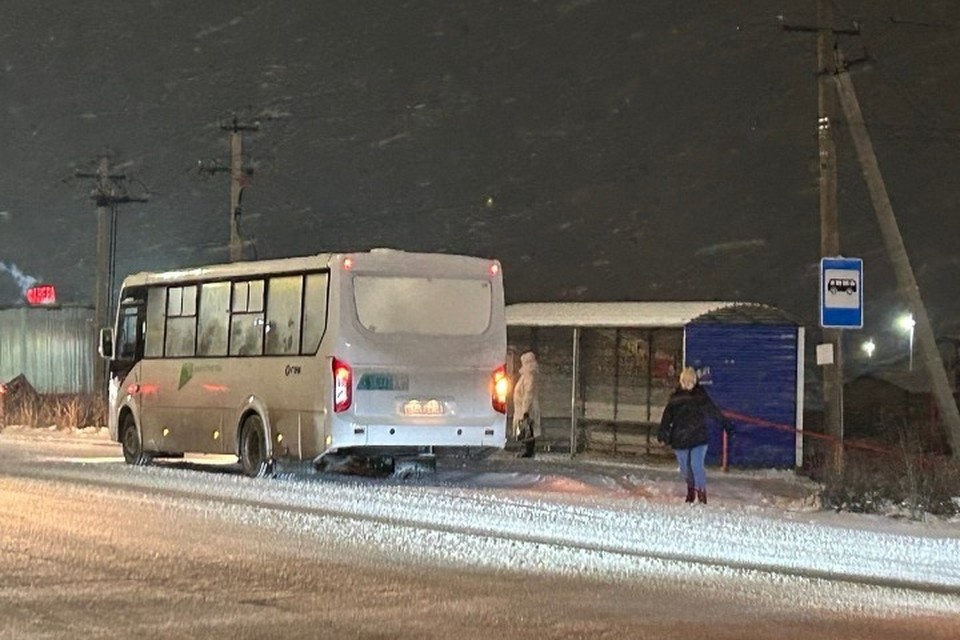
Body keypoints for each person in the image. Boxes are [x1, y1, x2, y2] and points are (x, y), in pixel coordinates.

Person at [657, 366, 731, 504]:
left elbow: (712, 411)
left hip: (698, 437)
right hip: (680, 437)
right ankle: (691, 489)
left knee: (696, 465)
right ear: (681, 381)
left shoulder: (700, 397)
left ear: (695, 381)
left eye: (690, 380)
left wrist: (725, 424)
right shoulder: (675, 399)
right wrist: (663, 432)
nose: (687, 383)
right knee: (685, 467)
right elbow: (667, 418)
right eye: (685, 380)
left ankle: (701, 493)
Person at [512, 351, 541, 458]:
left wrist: (525, 411)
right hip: (526, 408)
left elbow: (528, 393)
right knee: (527, 429)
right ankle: (527, 450)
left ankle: (527, 450)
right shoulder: (528, 375)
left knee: (527, 429)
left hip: (527, 409)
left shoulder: (529, 376)